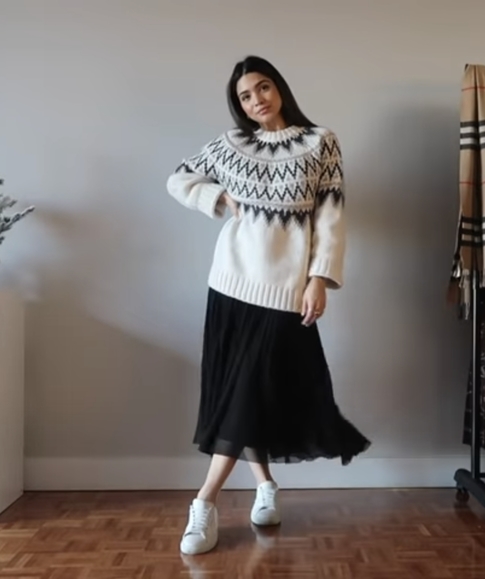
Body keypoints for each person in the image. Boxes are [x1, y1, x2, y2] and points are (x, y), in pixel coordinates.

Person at [166, 55, 371, 556]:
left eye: (262, 87)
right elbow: (177, 180)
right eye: (245, 95)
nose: (256, 100)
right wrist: (218, 199)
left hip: (284, 293)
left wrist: (319, 279)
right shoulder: (231, 145)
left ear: (278, 87)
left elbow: (331, 218)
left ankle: (204, 501)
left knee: (250, 391)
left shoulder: (320, 142)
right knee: (243, 393)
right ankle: (265, 487)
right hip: (230, 286)